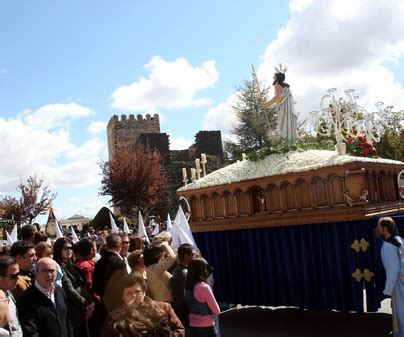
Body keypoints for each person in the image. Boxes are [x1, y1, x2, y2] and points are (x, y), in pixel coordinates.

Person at [101, 272, 184, 337]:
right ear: (123, 297)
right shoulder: (114, 317)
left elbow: (179, 329)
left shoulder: (163, 307)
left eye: (137, 292)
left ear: (144, 292)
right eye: (129, 293)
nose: (134, 296)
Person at [16, 257, 74, 337]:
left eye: (52, 271)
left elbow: (68, 322)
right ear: (36, 273)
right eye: (44, 271)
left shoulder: (60, 290)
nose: (49, 275)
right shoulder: (26, 299)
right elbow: (31, 332)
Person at [53, 238, 94, 337]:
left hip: (82, 309)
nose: (69, 250)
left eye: (71, 248)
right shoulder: (58, 266)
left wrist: (91, 302)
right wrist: (86, 305)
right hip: (74, 312)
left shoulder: (71, 265)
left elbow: (83, 286)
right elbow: (69, 290)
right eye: (65, 248)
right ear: (59, 250)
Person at [375, 217, 404, 337]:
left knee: (400, 310)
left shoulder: (388, 246)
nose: (377, 230)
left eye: (379, 228)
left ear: (385, 229)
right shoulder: (398, 240)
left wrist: (388, 289)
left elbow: (393, 269)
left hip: (399, 283)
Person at [184, 258, 220, 337]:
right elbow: (217, 310)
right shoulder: (203, 287)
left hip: (192, 325)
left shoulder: (186, 287)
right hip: (206, 326)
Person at [262, 67, 298, 141]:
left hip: (284, 109)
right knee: (289, 125)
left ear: (277, 78)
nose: (273, 77)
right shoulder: (287, 87)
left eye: (274, 76)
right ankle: (291, 140)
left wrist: (267, 104)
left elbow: (277, 98)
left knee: (284, 125)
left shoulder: (277, 85)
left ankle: (287, 141)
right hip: (289, 108)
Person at [171, 244, 198, 330]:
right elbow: (186, 295)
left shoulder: (180, 269)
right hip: (185, 312)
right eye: (193, 255)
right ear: (186, 256)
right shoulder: (184, 272)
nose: (195, 256)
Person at [0, 255, 22, 336]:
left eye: (18, 274)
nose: (18, 278)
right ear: (1, 278)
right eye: (14, 276)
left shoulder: (9, 292)